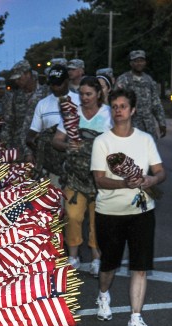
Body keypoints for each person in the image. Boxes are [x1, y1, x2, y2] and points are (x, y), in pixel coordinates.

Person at [90, 88, 165, 326]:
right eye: (115, 106)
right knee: (108, 266)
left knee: (139, 267)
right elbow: (99, 180)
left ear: (132, 110)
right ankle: (103, 295)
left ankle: (135, 319)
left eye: (123, 106)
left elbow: (160, 171)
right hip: (109, 213)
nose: (118, 110)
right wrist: (125, 183)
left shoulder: (145, 139)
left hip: (142, 213)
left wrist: (151, 180)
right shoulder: (102, 142)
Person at [52, 76, 112, 273]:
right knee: (73, 215)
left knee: (98, 219)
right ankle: (73, 256)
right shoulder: (72, 114)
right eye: (82, 94)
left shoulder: (108, 114)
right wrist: (68, 144)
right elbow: (57, 140)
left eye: (89, 94)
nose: (85, 98)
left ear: (98, 94)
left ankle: (96, 258)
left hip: (99, 177)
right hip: (75, 176)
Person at [26, 64, 79, 185]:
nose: (55, 88)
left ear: (67, 81)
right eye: (52, 84)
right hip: (51, 168)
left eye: (58, 84)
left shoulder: (79, 100)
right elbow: (31, 135)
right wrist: (38, 145)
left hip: (75, 163)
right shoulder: (42, 104)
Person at [115, 50, 167, 140]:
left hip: (149, 126)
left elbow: (156, 103)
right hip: (131, 125)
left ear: (145, 62)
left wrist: (161, 123)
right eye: (136, 61)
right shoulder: (123, 80)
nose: (139, 63)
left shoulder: (149, 80)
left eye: (141, 61)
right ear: (131, 63)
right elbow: (116, 102)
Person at [4, 60, 48, 159]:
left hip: (40, 146)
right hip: (19, 147)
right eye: (15, 79)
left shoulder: (45, 94)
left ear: (28, 74)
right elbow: (9, 122)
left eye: (19, 78)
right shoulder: (15, 97)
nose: (16, 81)